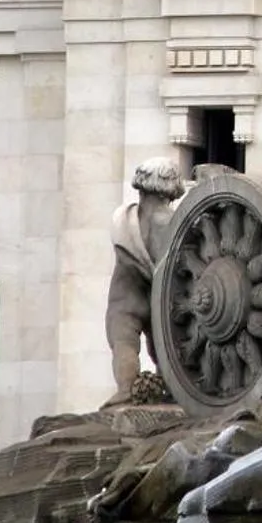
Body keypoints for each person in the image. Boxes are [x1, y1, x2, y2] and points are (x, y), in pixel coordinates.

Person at [106, 157, 185, 402]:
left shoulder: (124, 219)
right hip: (164, 296)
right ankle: (172, 388)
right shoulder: (173, 221)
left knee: (122, 339)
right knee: (163, 348)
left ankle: (127, 390)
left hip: (126, 295)